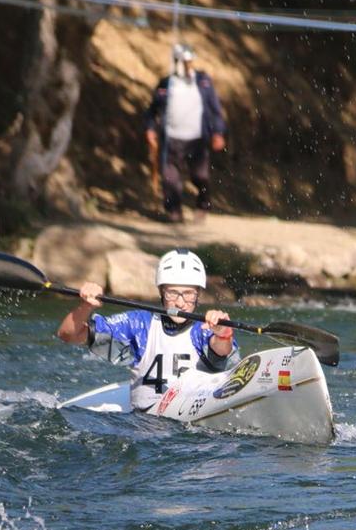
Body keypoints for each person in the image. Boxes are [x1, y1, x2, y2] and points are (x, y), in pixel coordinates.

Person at [55, 249, 239, 411]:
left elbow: (222, 350)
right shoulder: (139, 323)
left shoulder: (206, 328)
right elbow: (68, 335)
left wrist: (223, 332)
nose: (180, 302)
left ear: (198, 294)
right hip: (145, 424)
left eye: (188, 294)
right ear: (161, 292)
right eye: (172, 293)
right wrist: (86, 306)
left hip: (195, 424)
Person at [144, 43, 227, 224]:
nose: (189, 66)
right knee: (170, 179)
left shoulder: (203, 82)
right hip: (172, 140)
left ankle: (203, 205)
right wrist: (150, 129)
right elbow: (152, 110)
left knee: (201, 177)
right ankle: (174, 212)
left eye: (191, 62)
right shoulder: (165, 85)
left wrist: (218, 132)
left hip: (197, 139)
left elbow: (215, 110)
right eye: (185, 62)